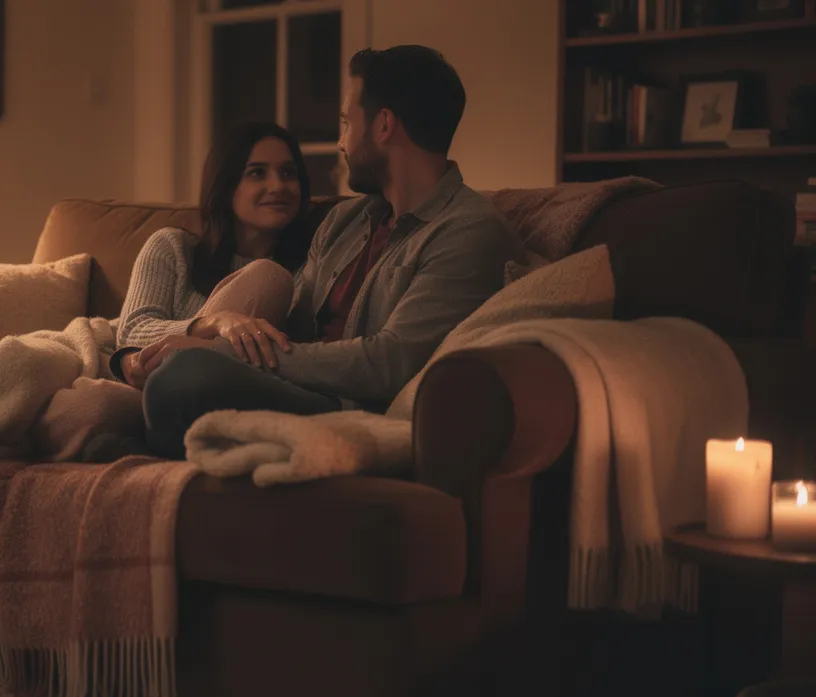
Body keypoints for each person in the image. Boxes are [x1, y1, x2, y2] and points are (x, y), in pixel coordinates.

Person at [139, 45, 523, 459]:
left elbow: (389, 364)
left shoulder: (468, 231)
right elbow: (294, 325)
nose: (341, 143)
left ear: (384, 126)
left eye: (345, 122)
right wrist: (222, 340)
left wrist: (226, 355)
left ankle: (137, 441)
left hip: (349, 410)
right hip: (294, 389)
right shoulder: (346, 220)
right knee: (176, 372)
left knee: (186, 376)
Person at [30, 122, 315, 462]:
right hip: (137, 381)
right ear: (226, 186)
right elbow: (132, 330)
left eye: (288, 173)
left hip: (212, 391)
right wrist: (210, 323)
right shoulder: (172, 247)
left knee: (267, 279)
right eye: (257, 173)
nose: (277, 186)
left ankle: (143, 448)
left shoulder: (308, 273)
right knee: (78, 414)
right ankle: (151, 446)